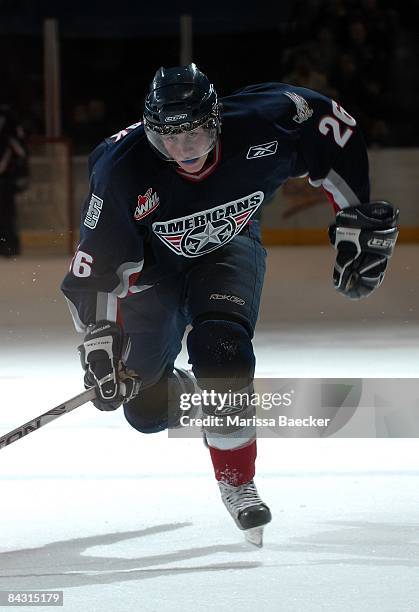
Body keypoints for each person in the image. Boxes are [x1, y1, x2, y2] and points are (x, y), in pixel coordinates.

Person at [61, 63, 398, 546]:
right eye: (170, 141)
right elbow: (92, 271)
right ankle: (188, 397)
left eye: (196, 134)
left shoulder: (268, 118)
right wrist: (100, 346)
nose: (187, 152)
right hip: (152, 271)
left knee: (223, 350)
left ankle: (237, 479)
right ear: (151, 135)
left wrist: (355, 210)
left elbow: (332, 126)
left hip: (228, 248)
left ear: (217, 121)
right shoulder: (119, 168)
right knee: (146, 412)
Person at [0, 104, 29, 257]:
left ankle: (10, 247)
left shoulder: (9, 120)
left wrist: (21, 174)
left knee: (7, 214)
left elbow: (20, 150)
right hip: (6, 178)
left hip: (5, 180)